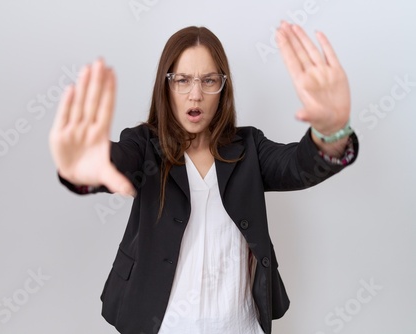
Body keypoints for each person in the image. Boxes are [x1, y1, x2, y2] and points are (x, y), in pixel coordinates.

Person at [49, 21, 358, 334]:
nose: (195, 94)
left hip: (239, 325)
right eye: (182, 80)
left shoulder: (249, 148)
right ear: (165, 86)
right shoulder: (143, 146)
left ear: (223, 87)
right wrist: (83, 167)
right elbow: (115, 161)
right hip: (163, 325)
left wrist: (331, 133)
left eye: (209, 80)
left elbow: (298, 166)